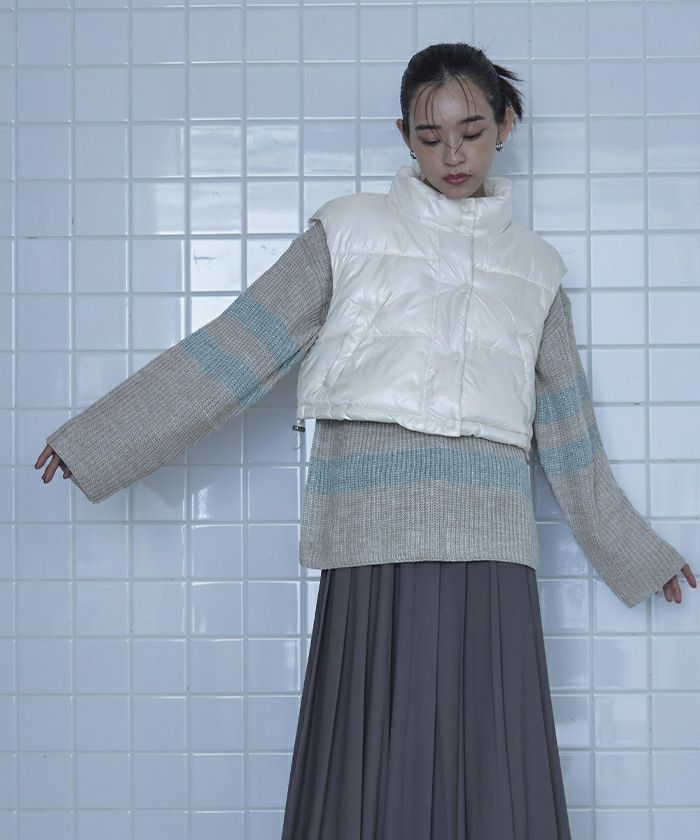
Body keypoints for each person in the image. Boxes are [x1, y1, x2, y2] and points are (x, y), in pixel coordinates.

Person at [36, 42, 695, 839]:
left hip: (490, 546)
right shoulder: (347, 231)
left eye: (471, 132)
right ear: (404, 136)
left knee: (488, 761)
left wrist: (639, 554)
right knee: (370, 767)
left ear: (506, 126)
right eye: (429, 136)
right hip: (372, 537)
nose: (452, 155)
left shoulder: (538, 270)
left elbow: (569, 433)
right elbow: (236, 350)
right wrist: (98, 440)